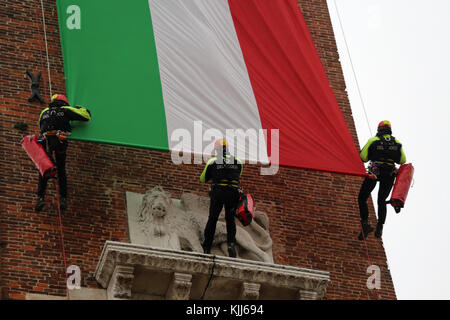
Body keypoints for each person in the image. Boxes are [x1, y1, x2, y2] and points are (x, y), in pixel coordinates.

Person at [35, 94, 91, 212]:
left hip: (44, 141)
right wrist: (80, 108)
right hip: (59, 140)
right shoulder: (66, 110)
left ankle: (40, 198)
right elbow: (86, 116)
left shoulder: (43, 112)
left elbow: (40, 124)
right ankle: (63, 199)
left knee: (44, 168)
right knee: (61, 169)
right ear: (64, 102)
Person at [358, 120, 406, 239]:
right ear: (390, 130)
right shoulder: (397, 143)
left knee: (362, 197)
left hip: (375, 169)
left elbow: (363, 157)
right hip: (389, 172)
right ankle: (380, 225)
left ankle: (365, 223)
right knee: (381, 199)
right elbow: (402, 160)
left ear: (379, 129)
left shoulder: (373, 140)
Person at [200, 139, 243, 257]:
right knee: (230, 220)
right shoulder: (238, 161)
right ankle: (231, 244)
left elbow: (203, 179)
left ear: (217, 149)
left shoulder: (213, 161)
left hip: (218, 192)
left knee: (213, 219)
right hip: (233, 193)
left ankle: (207, 247)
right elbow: (238, 176)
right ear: (228, 149)